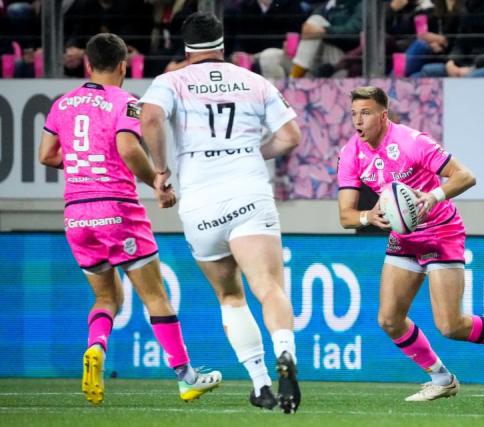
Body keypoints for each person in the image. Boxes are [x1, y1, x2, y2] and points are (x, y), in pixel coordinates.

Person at [37, 32, 222, 406]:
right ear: (123, 65)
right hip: (116, 209)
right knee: (155, 296)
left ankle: (96, 348)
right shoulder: (127, 102)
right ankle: (187, 377)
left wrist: (79, 163)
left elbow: (47, 155)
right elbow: (126, 145)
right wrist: (156, 177)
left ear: (87, 64)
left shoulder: (63, 104)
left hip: (76, 215)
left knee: (107, 298)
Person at [138, 11, 303, 414]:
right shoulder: (254, 80)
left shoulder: (170, 81)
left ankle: (261, 384)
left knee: (230, 295)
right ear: (222, 44)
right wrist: (251, 151)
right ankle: (285, 354)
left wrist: (161, 171)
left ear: (185, 47)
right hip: (248, 191)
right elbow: (290, 136)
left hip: (201, 201)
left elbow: (151, 117)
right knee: (270, 289)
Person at [336, 86, 484, 402]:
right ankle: (442, 379)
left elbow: (466, 176)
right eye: (353, 114)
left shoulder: (411, 142)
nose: (357, 121)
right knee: (389, 319)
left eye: (365, 113)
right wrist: (368, 217)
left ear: (383, 115)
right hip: (404, 237)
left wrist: (433, 196)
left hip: (440, 232)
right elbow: (346, 216)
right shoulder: (351, 152)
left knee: (450, 325)